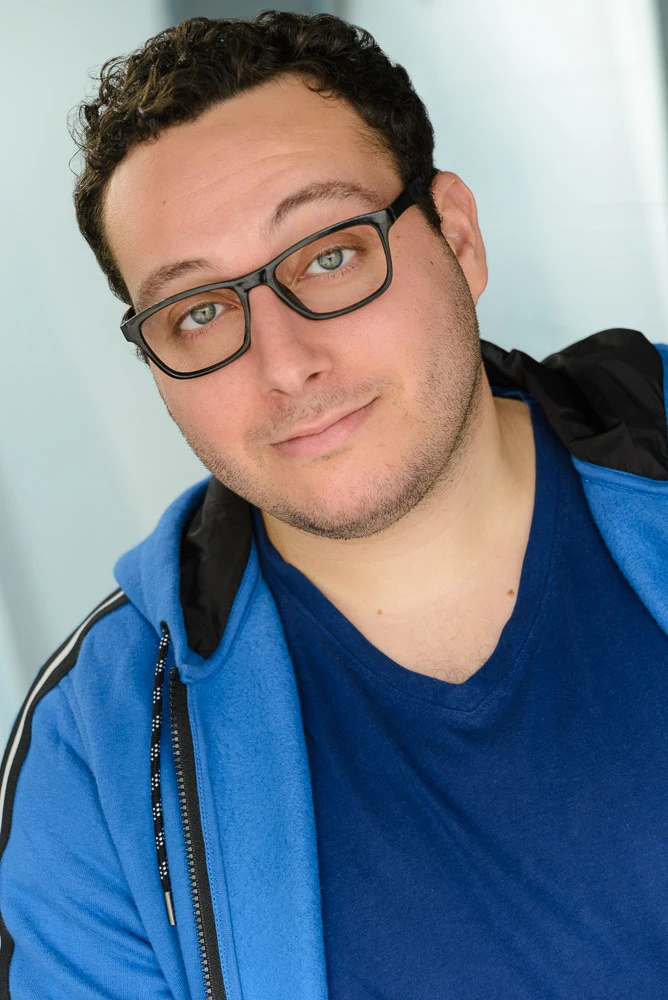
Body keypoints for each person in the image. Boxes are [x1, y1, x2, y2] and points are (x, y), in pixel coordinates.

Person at [2, 10, 668, 999]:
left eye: (326, 254)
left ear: (456, 236)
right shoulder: (98, 757)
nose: (284, 363)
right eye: (198, 311)